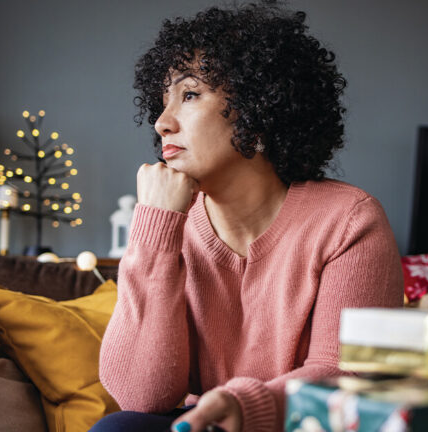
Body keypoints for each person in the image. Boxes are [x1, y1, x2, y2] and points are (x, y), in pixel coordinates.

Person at [93, 3, 403, 431]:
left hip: (303, 424)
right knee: (119, 428)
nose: (162, 123)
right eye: (163, 101)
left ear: (258, 112)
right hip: (204, 423)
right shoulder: (169, 224)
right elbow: (143, 397)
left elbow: (346, 372)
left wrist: (244, 405)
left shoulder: (349, 220)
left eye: (189, 95)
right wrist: (154, 228)